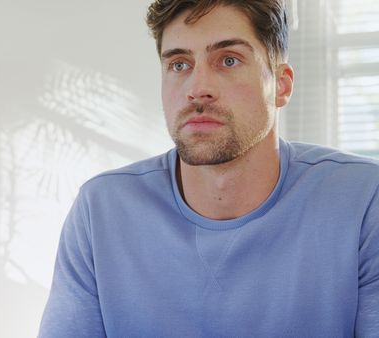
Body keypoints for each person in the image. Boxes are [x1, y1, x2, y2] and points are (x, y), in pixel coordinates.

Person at [38, 0, 379, 337]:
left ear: (282, 85)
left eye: (228, 60)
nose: (198, 89)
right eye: (179, 65)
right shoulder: (101, 209)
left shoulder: (363, 201)